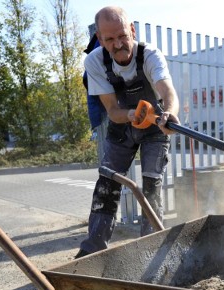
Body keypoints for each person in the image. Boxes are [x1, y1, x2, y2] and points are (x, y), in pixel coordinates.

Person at [76, 6, 180, 258]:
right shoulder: (95, 62)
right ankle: (93, 252)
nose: (118, 44)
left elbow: (168, 93)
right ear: (100, 40)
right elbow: (112, 110)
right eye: (110, 39)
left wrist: (168, 114)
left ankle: (150, 251)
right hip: (122, 126)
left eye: (122, 36)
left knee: (151, 186)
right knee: (106, 183)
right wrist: (131, 115)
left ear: (132, 30)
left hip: (155, 125)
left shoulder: (150, 55)